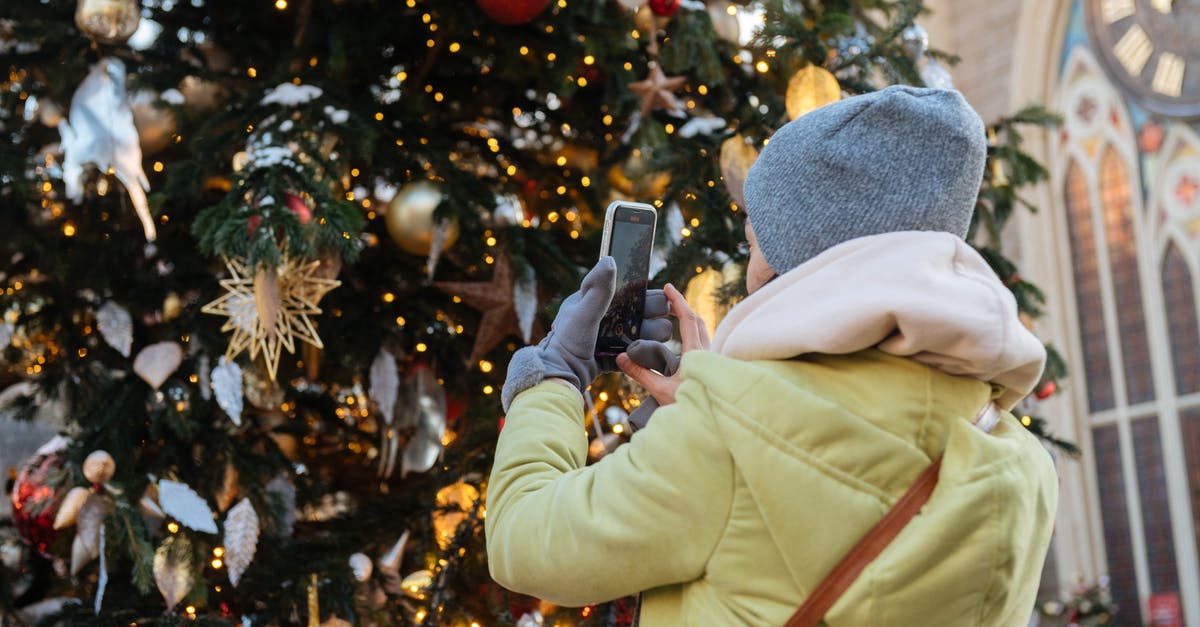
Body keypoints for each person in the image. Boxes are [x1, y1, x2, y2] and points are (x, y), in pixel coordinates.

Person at [487, 85, 1058, 626]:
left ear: (804, 259)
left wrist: (555, 376)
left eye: (755, 245)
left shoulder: (727, 440)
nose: (750, 270)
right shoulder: (1017, 459)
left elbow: (523, 541)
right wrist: (717, 401)